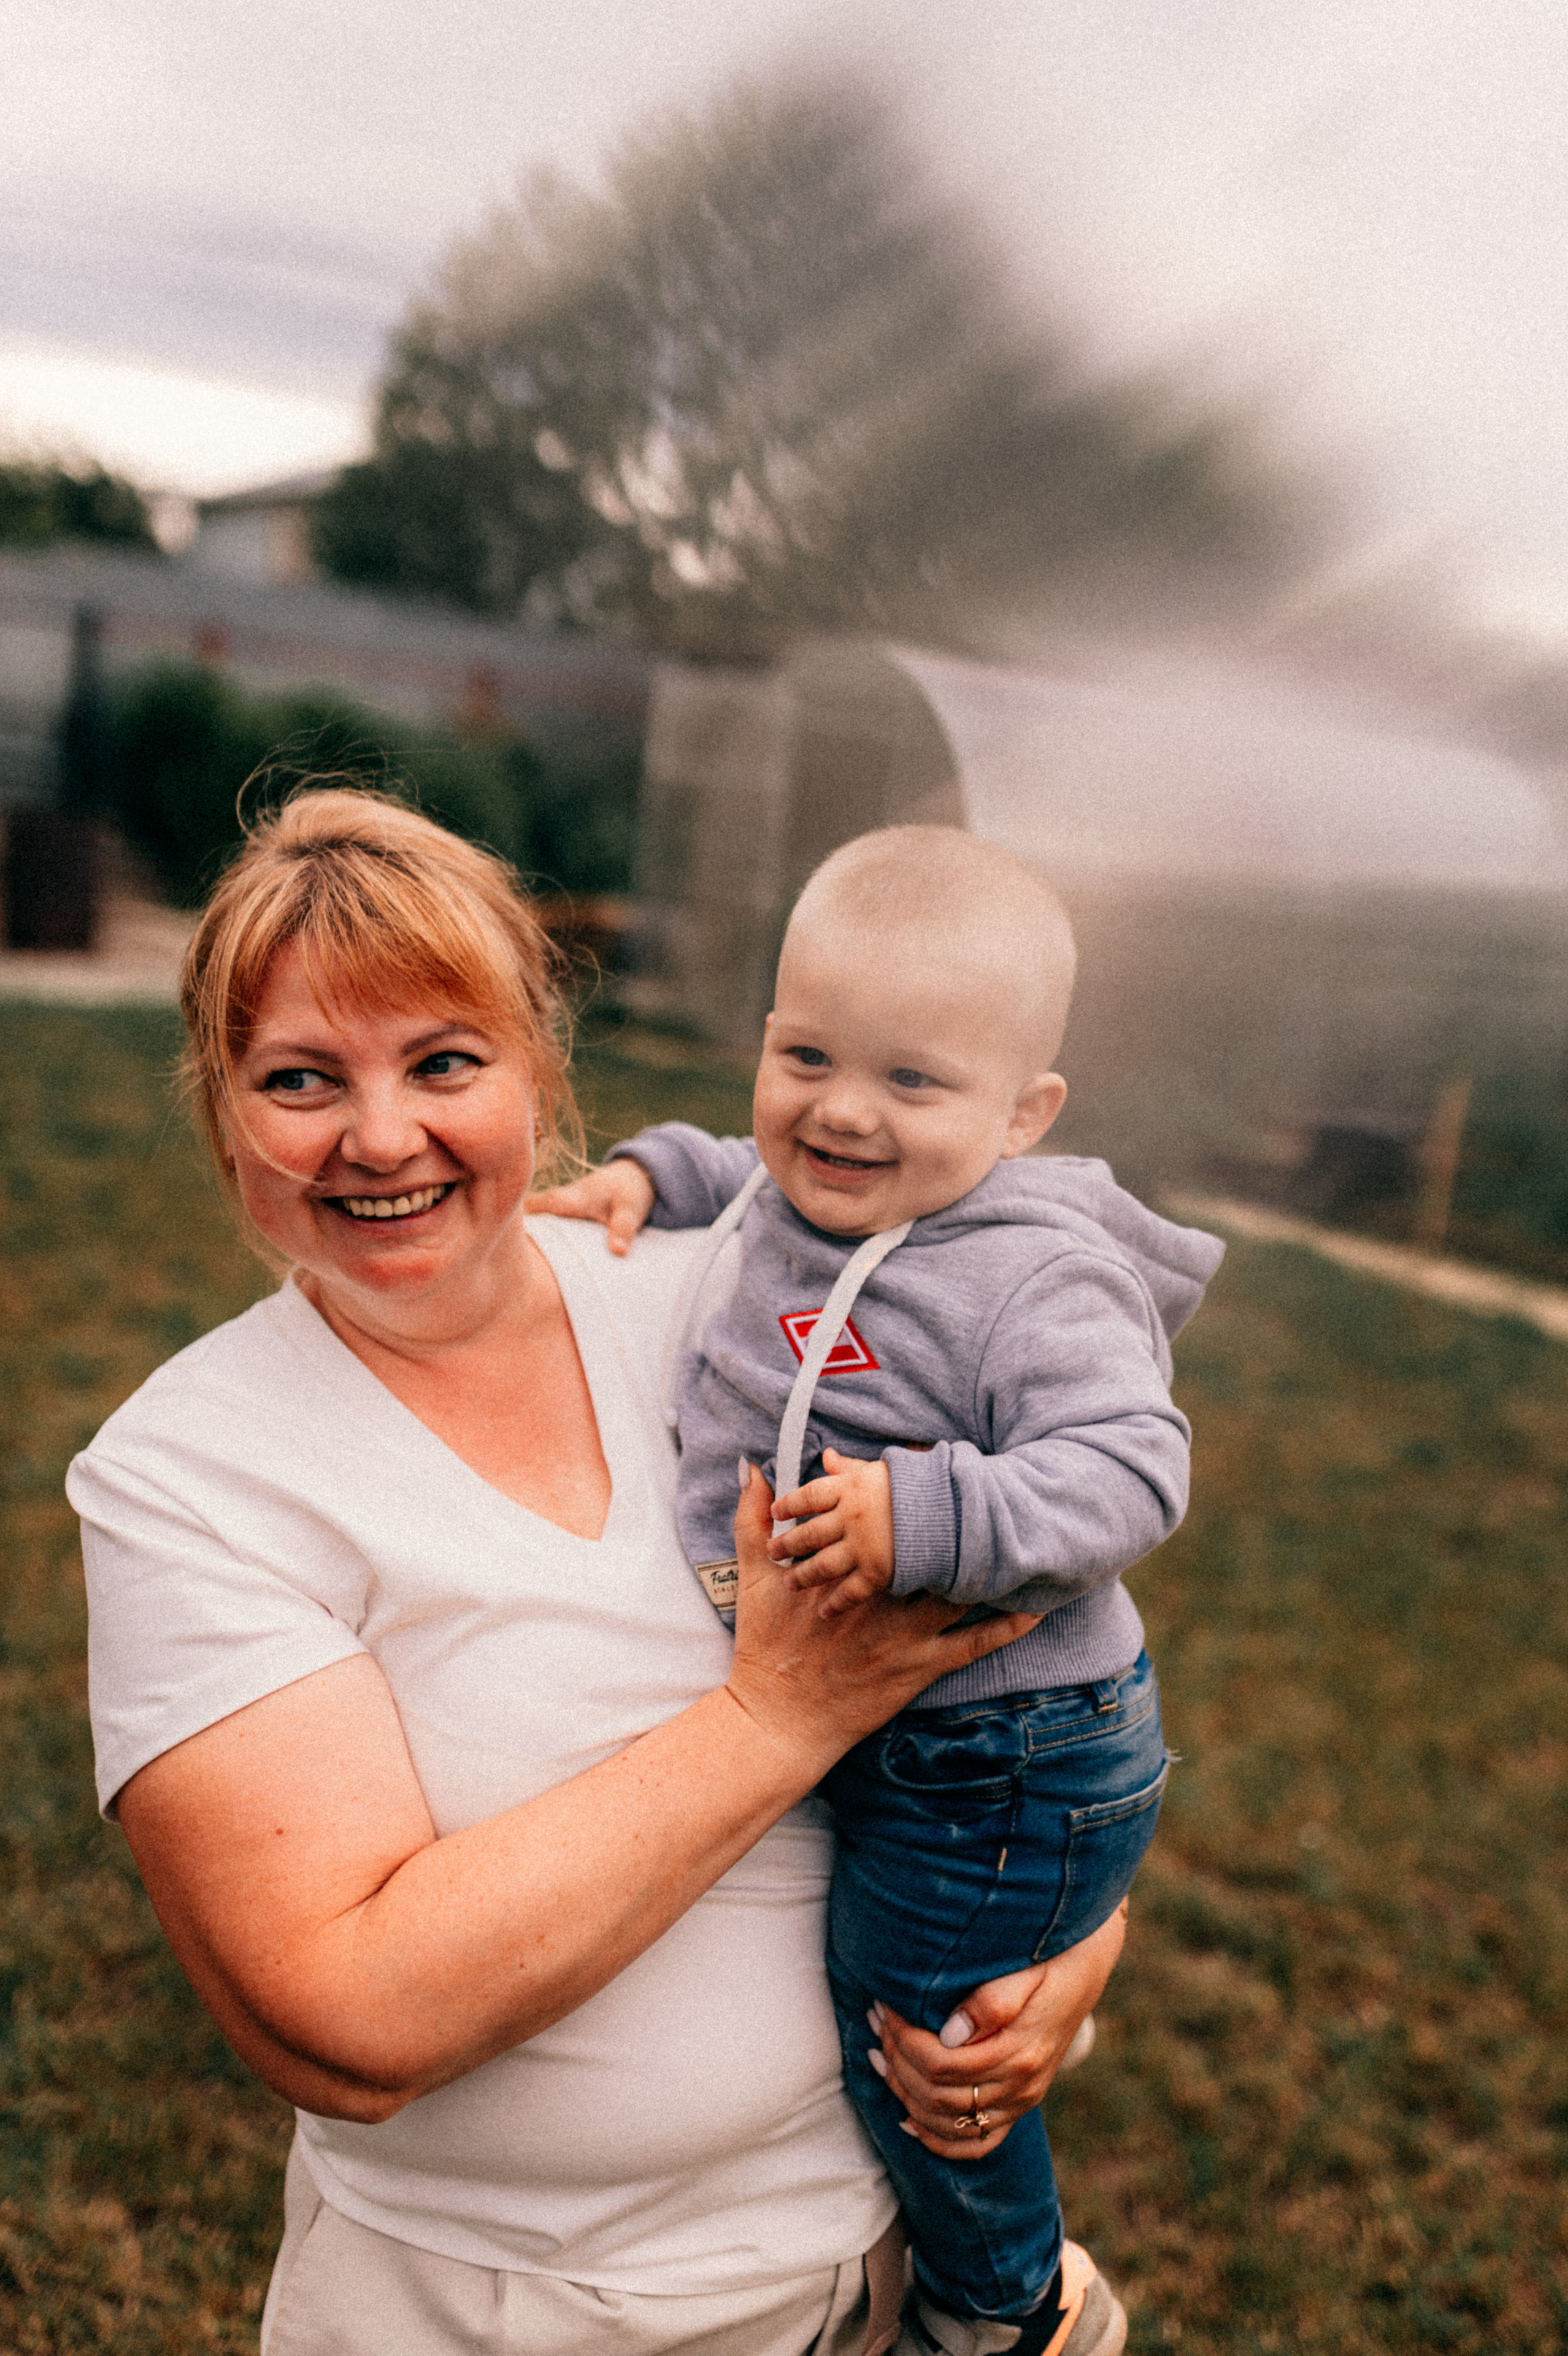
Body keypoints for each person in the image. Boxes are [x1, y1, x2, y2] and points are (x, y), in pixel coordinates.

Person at [67, 788, 1126, 2356]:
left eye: (443, 1062)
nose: (379, 1136)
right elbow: (344, 2019)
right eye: (300, 1079)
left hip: (870, 2268)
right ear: (227, 1116)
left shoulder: (745, 1302)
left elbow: (1046, 1637)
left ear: (538, 1070)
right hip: (492, 2313)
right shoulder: (190, 1474)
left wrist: (1064, 1944)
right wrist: (774, 1719)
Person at [535, 825, 1223, 2356]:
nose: (840, 1112)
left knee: (916, 2034)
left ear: (1022, 1112)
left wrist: (928, 1511)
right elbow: (746, 1172)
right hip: (907, 1730)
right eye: (804, 1055)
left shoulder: (1030, 1281)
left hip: (1001, 1747)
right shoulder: (809, 1186)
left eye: (912, 1083)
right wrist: (660, 1166)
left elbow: (1133, 1467)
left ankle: (1005, 2309)